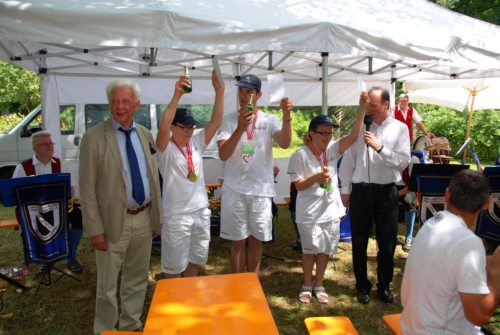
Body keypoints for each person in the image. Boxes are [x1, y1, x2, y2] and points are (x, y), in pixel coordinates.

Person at [79, 79, 162, 334]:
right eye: (114, 101)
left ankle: (130, 325)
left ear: (136, 105)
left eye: (125, 101)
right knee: (107, 285)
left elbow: (152, 178)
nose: (119, 106)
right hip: (112, 222)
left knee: (137, 278)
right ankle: (105, 329)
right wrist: (95, 230)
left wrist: (156, 219)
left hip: (143, 218)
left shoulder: (145, 134)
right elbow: (87, 188)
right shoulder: (93, 138)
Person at [287, 93, 368, 304]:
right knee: (309, 250)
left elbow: (354, 135)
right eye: (322, 133)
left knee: (324, 249)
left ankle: (319, 283)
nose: (327, 138)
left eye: (330, 134)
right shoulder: (300, 155)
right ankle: (306, 283)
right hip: (309, 213)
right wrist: (316, 177)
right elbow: (299, 186)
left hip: (330, 210)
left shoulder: (332, 150)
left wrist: (361, 109)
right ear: (311, 134)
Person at [401, 169, 500, 334]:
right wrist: (497, 272)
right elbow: (480, 315)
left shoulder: (434, 222)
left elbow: (453, 263)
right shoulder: (467, 242)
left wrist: (492, 261)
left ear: (447, 194)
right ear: (487, 203)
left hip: (414, 326)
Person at [339, 87, 411, 305]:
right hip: (361, 190)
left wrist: (380, 148)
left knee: (386, 242)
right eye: (367, 103)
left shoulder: (400, 129)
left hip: (386, 191)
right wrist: (345, 191)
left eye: (372, 104)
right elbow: (348, 162)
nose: (368, 108)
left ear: (386, 105)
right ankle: (362, 286)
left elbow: (403, 161)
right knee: (359, 242)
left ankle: (384, 286)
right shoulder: (360, 127)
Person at [217, 74, 293, 273]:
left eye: (249, 91)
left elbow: (284, 143)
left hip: (260, 190)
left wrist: (286, 117)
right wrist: (240, 128)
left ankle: (251, 285)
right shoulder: (228, 120)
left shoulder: (269, 120)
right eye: (241, 90)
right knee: (237, 242)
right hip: (234, 189)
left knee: (256, 242)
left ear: (258, 94)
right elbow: (224, 154)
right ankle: (237, 284)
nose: (244, 95)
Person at [156, 70, 224, 278]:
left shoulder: (195, 142)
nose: (189, 131)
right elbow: (163, 126)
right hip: (177, 214)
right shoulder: (164, 147)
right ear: (173, 127)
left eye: (192, 127)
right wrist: (177, 95)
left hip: (200, 210)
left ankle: (190, 301)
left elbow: (215, 122)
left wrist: (219, 92)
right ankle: (175, 307)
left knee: (195, 261)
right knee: (174, 267)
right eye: (184, 127)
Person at [12, 131, 83, 274]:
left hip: (58, 208)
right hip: (34, 211)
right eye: (44, 144)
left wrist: (69, 192)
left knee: (78, 217)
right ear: (35, 148)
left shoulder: (61, 163)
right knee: (38, 224)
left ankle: (71, 257)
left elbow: (72, 189)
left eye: (50, 143)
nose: (49, 147)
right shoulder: (23, 167)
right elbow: (14, 193)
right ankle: (44, 260)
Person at [395, 93, 434, 252]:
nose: (403, 103)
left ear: (408, 102)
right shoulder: (393, 110)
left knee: (410, 201)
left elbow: (419, 123)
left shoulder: (414, 158)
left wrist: (426, 133)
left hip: (406, 185)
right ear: (398, 102)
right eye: (401, 101)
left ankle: (409, 237)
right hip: (395, 180)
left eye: (405, 101)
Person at [288, 134, 311, 252]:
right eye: (306, 139)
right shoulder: (298, 153)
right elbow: (293, 175)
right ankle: (300, 237)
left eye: (310, 139)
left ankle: (305, 238)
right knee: (294, 211)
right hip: (296, 189)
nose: (308, 141)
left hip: (311, 189)